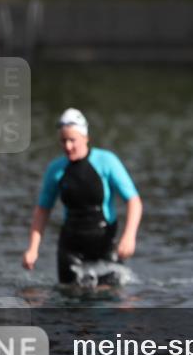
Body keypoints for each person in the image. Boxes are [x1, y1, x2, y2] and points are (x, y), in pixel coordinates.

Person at [22, 109, 143, 286]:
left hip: (104, 242)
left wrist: (129, 236)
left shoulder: (106, 162)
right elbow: (43, 209)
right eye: (63, 141)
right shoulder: (56, 170)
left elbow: (134, 201)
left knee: (109, 299)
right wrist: (33, 249)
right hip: (71, 245)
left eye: (73, 140)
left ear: (86, 138)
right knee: (70, 300)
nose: (68, 146)